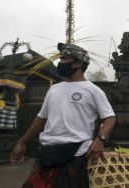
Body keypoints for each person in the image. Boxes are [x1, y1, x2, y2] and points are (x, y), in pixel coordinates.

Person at [10, 43, 116, 188]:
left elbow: (110, 118)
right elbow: (41, 119)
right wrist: (22, 142)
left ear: (78, 63)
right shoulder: (53, 89)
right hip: (46, 153)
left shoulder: (93, 90)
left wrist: (100, 139)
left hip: (76, 155)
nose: (60, 63)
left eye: (64, 59)